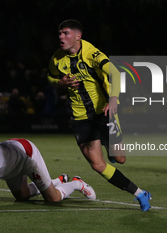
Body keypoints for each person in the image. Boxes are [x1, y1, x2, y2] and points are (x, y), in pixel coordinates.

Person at [47, 19, 151, 211]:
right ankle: (140, 193)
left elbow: (115, 73)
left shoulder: (91, 53)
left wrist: (113, 99)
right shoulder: (57, 58)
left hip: (104, 110)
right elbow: (50, 77)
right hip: (80, 117)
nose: (61, 37)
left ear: (78, 36)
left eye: (66, 33)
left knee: (120, 158)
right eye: (60, 33)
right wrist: (60, 83)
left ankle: (110, 147)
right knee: (97, 164)